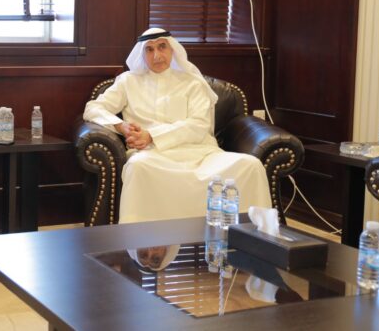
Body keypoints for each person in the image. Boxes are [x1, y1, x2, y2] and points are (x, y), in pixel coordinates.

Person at [83, 28, 271, 224]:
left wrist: (152, 135)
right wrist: (121, 126)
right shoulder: (128, 82)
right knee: (138, 167)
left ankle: (256, 235)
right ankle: (144, 239)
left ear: (172, 49)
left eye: (162, 47)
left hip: (201, 153)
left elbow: (199, 125)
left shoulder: (192, 82)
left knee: (251, 165)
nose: (157, 55)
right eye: (149, 49)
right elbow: (93, 108)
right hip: (153, 155)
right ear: (142, 54)